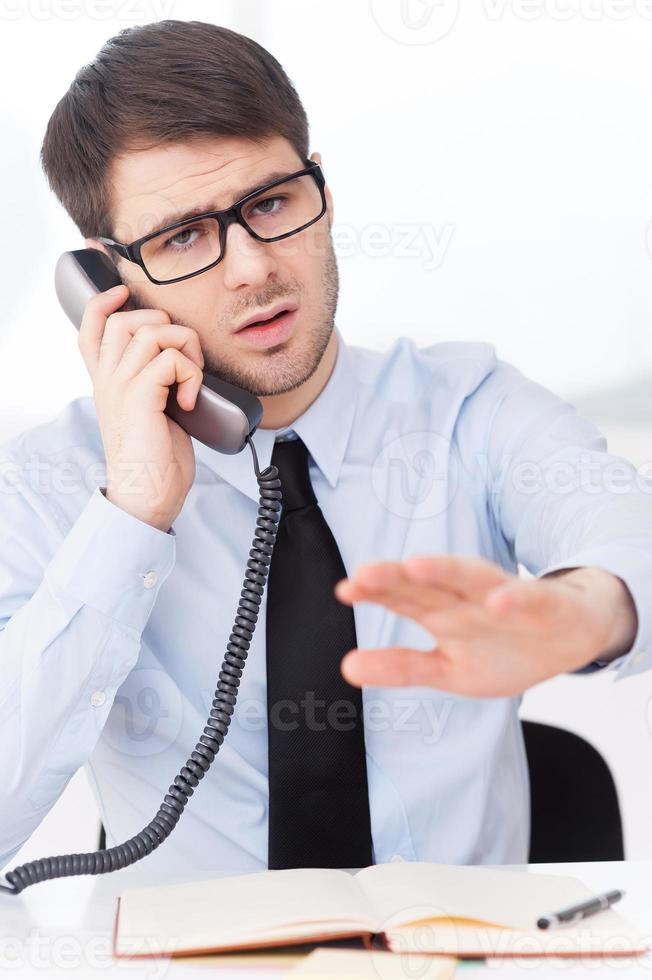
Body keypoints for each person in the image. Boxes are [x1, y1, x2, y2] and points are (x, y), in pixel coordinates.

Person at [0, 19, 650, 878]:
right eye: (183, 237)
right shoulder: (49, 484)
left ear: (324, 197)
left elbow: (622, 530)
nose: (251, 270)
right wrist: (132, 512)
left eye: (270, 204)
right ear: (112, 282)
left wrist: (584, 615)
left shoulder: (470, 410)